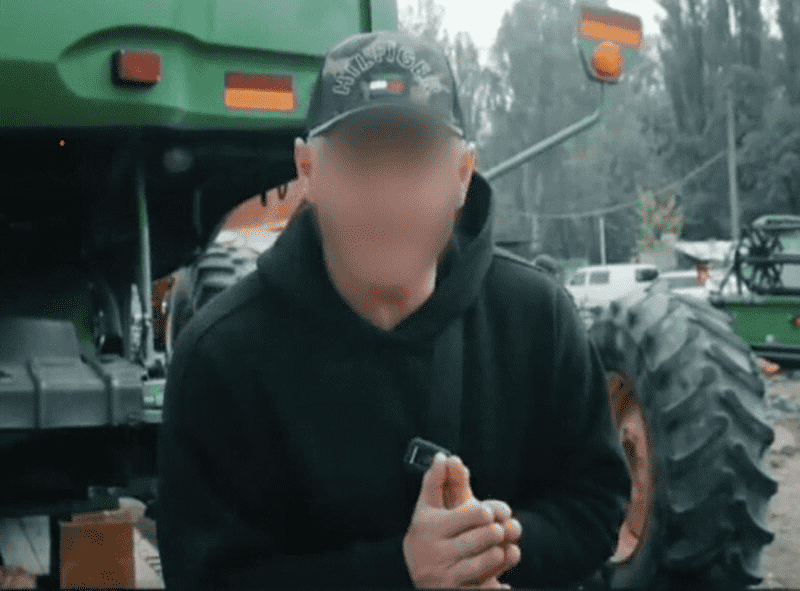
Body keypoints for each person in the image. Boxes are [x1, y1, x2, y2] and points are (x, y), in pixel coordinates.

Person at [156, 30, 631, 589]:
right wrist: (402, 572)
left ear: (461, 175)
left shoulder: (539, 320)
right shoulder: (221, 358)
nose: (386, 197)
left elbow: (597, 502)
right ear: (307, 171)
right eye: (359, 160)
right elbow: (205, 577)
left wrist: (484, 550)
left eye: (415, 161)